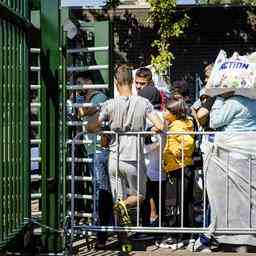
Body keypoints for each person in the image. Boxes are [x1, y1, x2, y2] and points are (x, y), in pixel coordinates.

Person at [89, 64, 164, 248]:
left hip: (114, 158)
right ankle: (122, 209)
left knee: (118, 200)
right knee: (138, 196)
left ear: (116, 82)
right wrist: (146, 133)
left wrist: (104, 132)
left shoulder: (109, 104)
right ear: (131, 82)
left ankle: (124, 242)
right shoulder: (143, 103)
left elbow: (89, 126)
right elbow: (160, 126)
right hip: (134, 158)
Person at [206, 93, 256, 253]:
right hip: (251, 150)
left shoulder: (234, 102)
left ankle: (234, 237)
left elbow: (214, 121)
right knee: (249, 195)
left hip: (232, 152)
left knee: (232, 198)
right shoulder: (253, 101)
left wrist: (219, 99)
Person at [158, 98, 195, 248]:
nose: (163, 112)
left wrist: (176, 152)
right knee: (184, 201)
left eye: (166, 110)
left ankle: (177, 236)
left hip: (178, 168)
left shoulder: (177, 126)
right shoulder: (178, 124)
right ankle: (186, 235)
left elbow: (188, 143)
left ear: (174, 113)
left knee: (175, 203)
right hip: (179, 167)